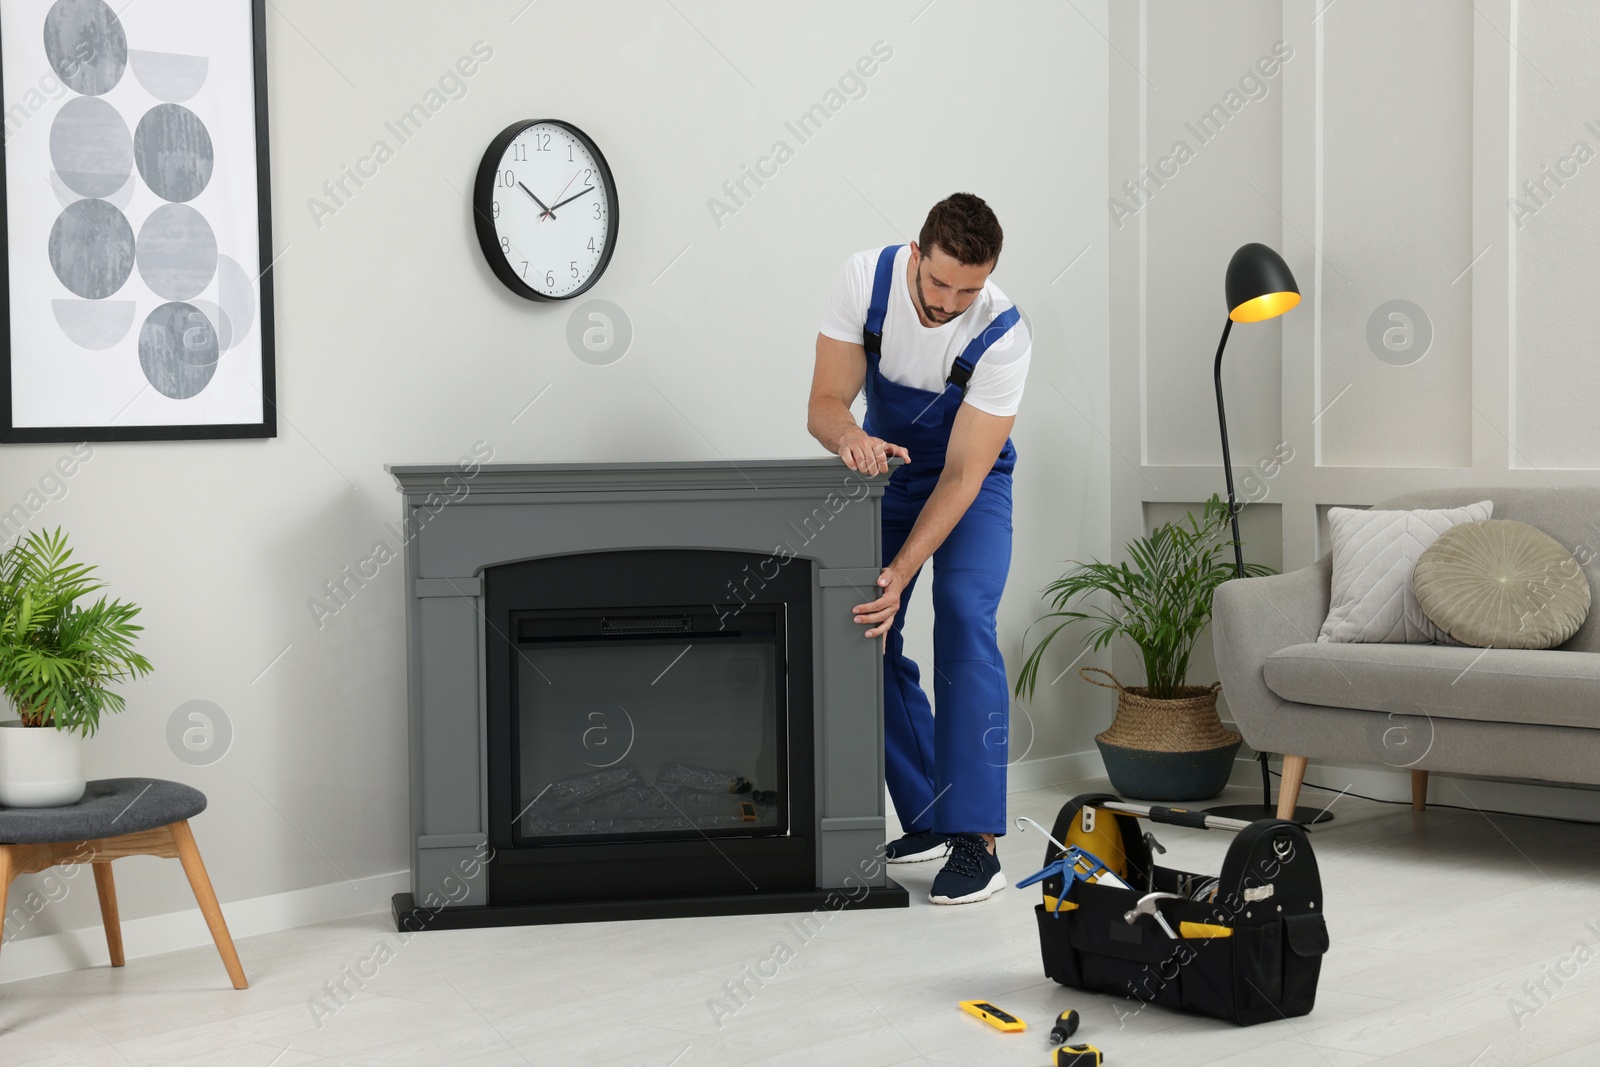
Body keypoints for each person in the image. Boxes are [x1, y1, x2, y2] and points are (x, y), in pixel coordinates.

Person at [806, 193, 1031, 904]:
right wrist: (852, 439)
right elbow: (825, 404)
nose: (949, 302)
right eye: (939, 283)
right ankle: (929, 813)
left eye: (969, 288)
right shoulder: (863, 281)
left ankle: (977, 841)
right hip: (890, 466)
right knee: (861, 621)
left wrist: (905, 570)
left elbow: (964, 473)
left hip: (973, 482)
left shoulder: (1003, 333)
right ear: (916, 254)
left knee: (963, 612)